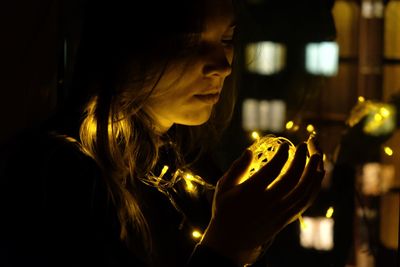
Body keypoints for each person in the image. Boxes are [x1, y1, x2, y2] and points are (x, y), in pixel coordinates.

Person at [0, 0, 325, 266]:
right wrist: (228, 246)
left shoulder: (182, 171)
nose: (223, 65)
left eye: (226, 39)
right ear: (124, 46)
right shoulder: (59, 176)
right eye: (188, 41)